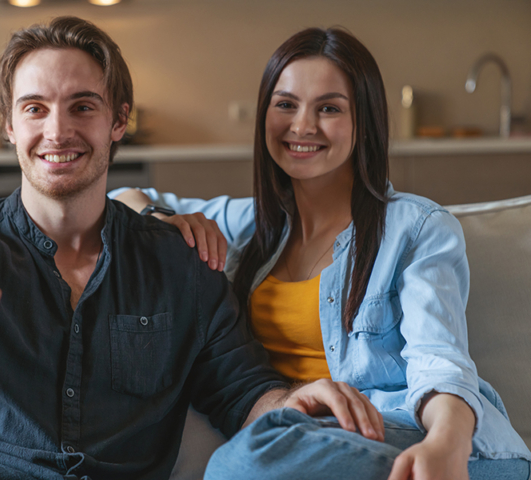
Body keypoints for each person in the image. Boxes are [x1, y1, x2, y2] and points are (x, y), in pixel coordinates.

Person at [0, 18, 385, 480]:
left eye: (82, 106)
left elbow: (242, 392)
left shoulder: (179, 261)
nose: (57, 130)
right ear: (10, 126)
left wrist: (294, 401)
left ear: (119, 121)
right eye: (35, 109)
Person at [113, 27, 531, 479]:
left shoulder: (417, 228)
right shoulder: (251, 227)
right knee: (253, 456)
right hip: (302, 444)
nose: (303, 126)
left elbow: (440, 362)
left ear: (363, 121)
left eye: (329, 108)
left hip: (424, 441)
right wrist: (161, 217)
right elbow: (123, 197)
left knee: (241, 465)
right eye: (286, 104)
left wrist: (445, 447)